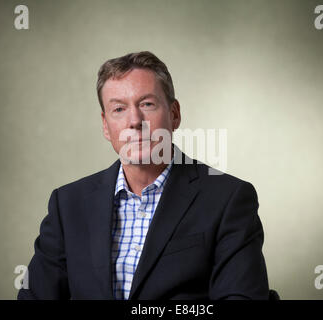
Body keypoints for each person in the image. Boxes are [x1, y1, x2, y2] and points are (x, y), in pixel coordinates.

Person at [17, 51, 270, 300]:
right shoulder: (68, 204)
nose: (134, 121)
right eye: (119, 109)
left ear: (174, 114)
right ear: (106, 125)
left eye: (147, 104)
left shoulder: (228, 198)